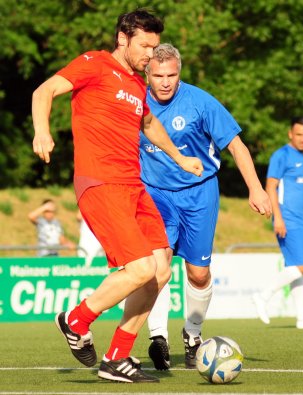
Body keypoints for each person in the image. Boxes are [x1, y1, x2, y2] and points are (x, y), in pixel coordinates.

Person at [31, 9, 203, 383]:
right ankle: (75, 321)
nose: (150, 55)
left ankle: (116, 358)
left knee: (159, 271)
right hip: (100, 182)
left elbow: (148, 123)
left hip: (134, 186)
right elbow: (44, 91)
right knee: (139, 268)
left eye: (155, 46)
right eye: (145, 46)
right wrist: (41, 131)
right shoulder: (93, 64)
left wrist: (179, 157)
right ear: (123, 39)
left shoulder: (137, 84)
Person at [139, 43, 272, 371]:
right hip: (155, 193)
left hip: (200, 194)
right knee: (159, 266)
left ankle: (193, 334)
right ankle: (158, 338)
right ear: (147, 73)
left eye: (172, 75)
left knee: (198, 274)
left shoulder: (201, 102)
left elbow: (237, 146)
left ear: (179, 72)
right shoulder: (135, 102)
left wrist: (255, 189)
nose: (166, 82)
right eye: (159, 75)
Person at [252, 117, 303, 329]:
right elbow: (270, 187)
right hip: (288, 218)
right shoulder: (281, 155)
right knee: (302, 266)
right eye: (299, 134)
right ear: (290, 134)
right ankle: (263, 296)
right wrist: (278, 217)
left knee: (294, 265)